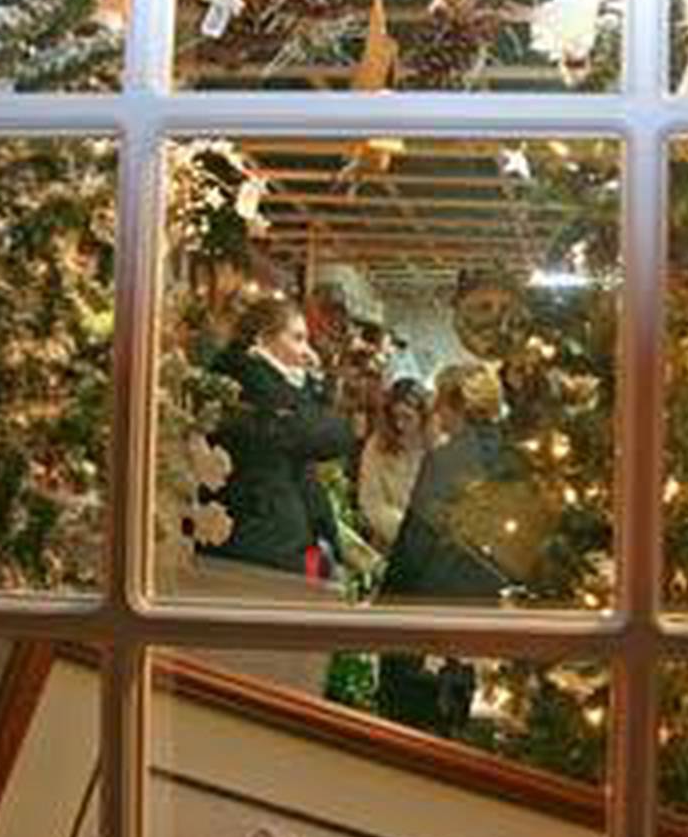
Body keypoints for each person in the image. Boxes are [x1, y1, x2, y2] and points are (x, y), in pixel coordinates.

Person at [376, 364, 515, 735]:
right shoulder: (514, 460)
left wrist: (385, 608)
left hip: (433, 611)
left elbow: (416, 543)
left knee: (410, 727)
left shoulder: (447, 461)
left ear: (456, 405)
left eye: (439, 399)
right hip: (488, 611)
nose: (435, 409)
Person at [210, 298, 356, 580]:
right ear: (265, 338)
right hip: (264, 538)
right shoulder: (249, 376)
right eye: (298, 338)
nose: (307, 351)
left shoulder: (277, 379)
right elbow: (323, 437)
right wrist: (315, 386)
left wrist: (313, 383)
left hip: (278, 530)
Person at [358, 378, 433, 548]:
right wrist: (406, 531)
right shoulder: (377, 446)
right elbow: (370, 502)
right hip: (389, 543)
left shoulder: (437, 448)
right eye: (395, 417)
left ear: (423, 416)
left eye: (407, 417)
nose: (399, 425)